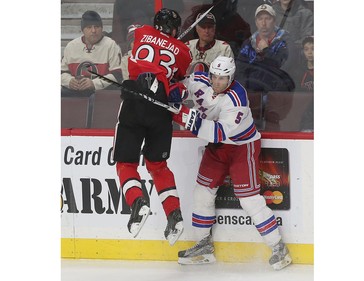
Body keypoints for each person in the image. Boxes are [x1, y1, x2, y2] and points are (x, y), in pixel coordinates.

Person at [171, 55, 292, 270]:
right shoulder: (202, 79)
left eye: (222, 78)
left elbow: (217, 132)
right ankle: (203, 246)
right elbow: (184, 84)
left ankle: (278, 246)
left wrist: (181, 115)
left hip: (241, 147)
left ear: (231, 78)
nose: (216, 82)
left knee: (249, 200)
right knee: (202, 192)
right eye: (214, 77)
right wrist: (170, 94)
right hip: (218, 148)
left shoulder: (237, 99)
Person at [112, 8, 192, 246]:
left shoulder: (140, 32)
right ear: (176, 30)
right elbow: (177, 77)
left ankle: (138, 202)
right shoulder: (184, 51)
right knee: (158, 166)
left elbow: (137, 39)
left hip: (135, 101)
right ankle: (174, 216)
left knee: (126, 163)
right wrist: (174, 45)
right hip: (161, 108)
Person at [61, 10, 123, 96]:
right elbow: (61, 72)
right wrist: (70, 81)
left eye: (97, 27)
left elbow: (118, 75)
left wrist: (94, 84)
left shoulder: (111, 45)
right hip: (75, 94)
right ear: (83, 30)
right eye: (89, 27)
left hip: (101, 95)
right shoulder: (71, 46)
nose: (93, 30)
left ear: (102, 28)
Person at [235, 4, 294, 92]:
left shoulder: (285, 41)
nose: (263, 23)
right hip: (251, 92)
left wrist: (266, 50)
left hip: (276, 92)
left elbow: (283, 67)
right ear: (256, 22)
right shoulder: (248, 43)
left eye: (267, 18)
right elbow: (240, 70)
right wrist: (245, 91)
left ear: (274, 21)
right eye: (260, 19)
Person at [181, 0, 251, 57]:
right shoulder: (197, 14)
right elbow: (183, 38)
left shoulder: (225, 48)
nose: (206, 31)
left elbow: (247, 40)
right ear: (196, 28)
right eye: (203, 27)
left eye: (209, 27)